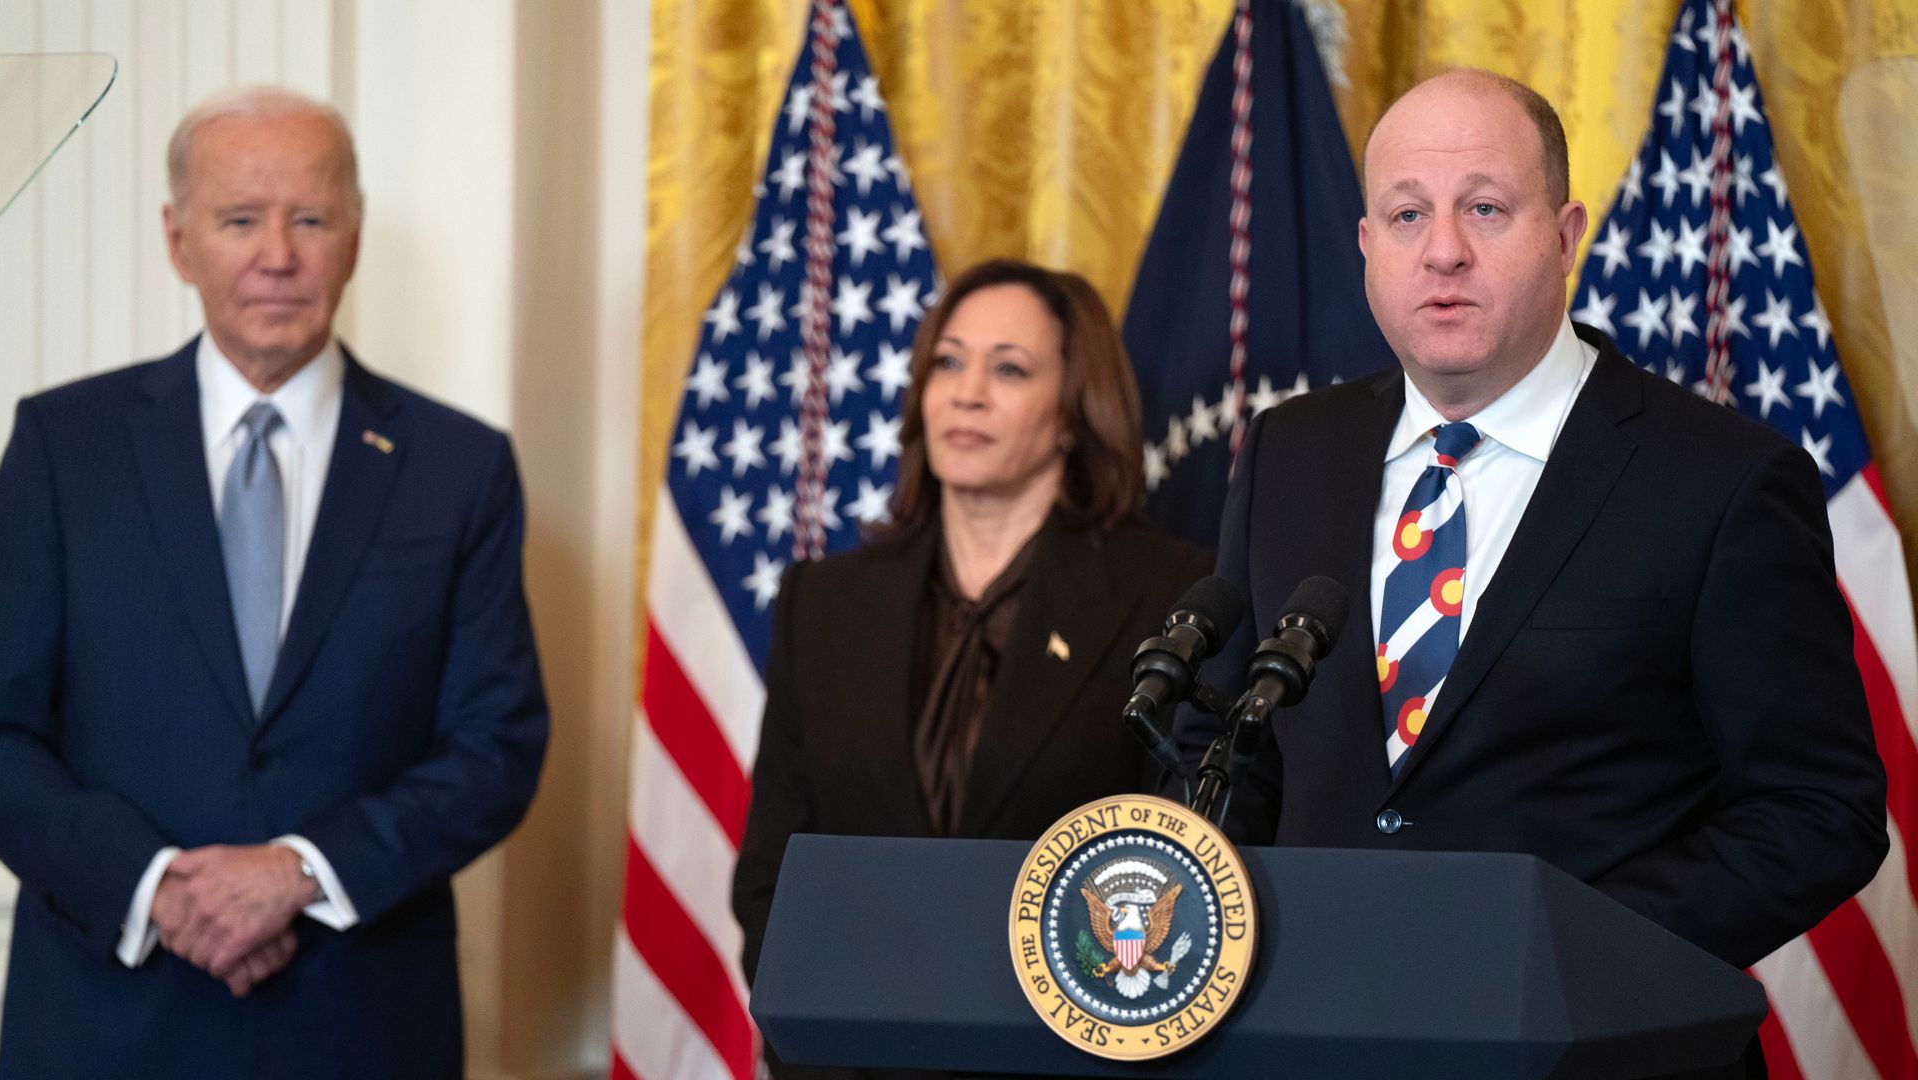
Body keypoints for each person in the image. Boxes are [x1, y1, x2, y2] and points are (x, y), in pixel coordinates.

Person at [1176, 69, 1885, 1073]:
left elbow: (1818, 809)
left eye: (1485, 209)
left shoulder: (1724, 481)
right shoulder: (1291, 451)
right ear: (1367, 246)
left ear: (1564, 233)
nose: (1444, 251)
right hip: (1315, 1041)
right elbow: (1224, 741)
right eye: (1408, 215)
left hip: (1598, 1050)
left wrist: (1556, 949)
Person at [0, 87, 547, 1079]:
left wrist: (301, 871)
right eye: (240, 220)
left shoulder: (458, 468)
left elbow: (496, 746)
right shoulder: (62, 447)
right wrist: (157, 889)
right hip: (105, 1023)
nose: (278, 256)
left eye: (312, 220)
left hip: (360, 1025)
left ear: (355, 239)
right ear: (178, 242)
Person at [732, 259, 1212, 1075]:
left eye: (1010, 369)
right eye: (948, 363)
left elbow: (1181, 874)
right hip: (849, 1061)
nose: (968, 393)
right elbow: (774, 880)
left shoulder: (1170, 597)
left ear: (1073, 413)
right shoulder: (823, 602)